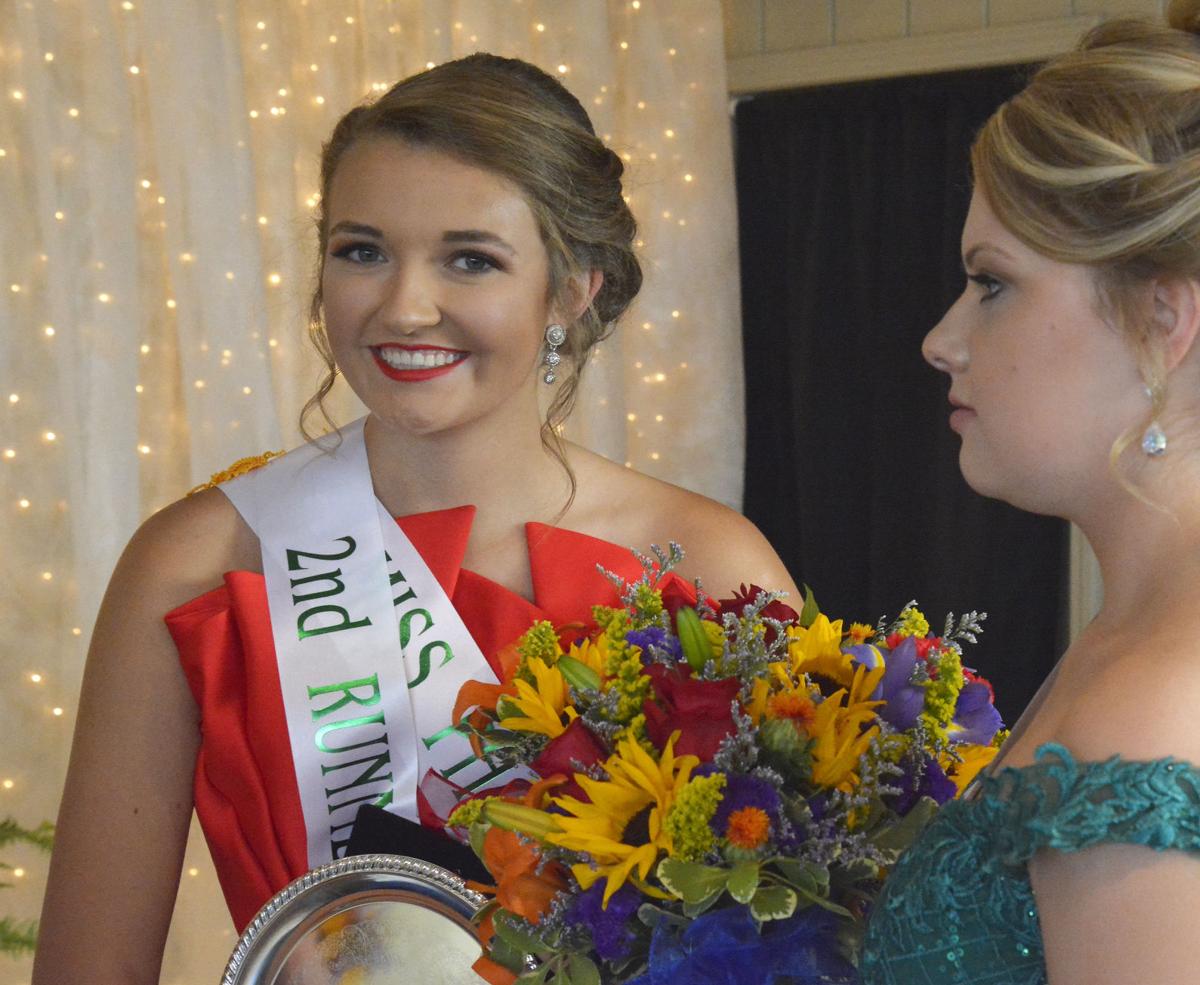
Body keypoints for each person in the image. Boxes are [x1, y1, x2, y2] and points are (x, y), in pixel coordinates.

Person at [32, 53, 797, 985]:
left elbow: (794, 940)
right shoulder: (199, 563)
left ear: (573, 288)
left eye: (470, 259)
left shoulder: (702, 567)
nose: (404, 305)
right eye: (363, 251)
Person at [860, 5, 1200, 984]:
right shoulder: (1131, 637)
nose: (943, 338)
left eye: (992, 284)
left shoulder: (1158, 704)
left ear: (1161, 316)